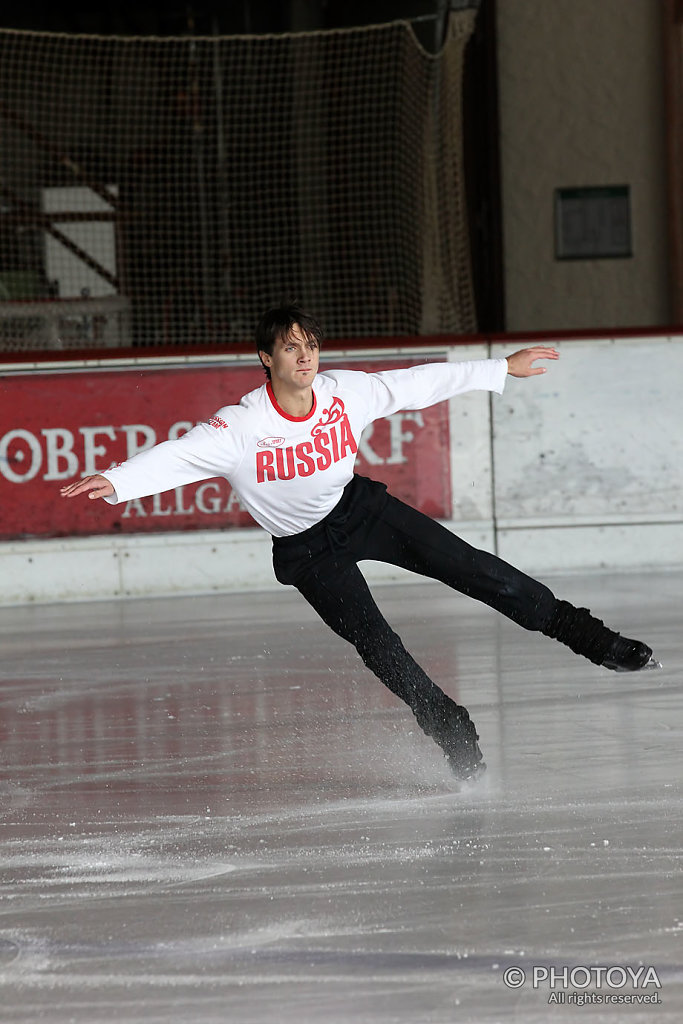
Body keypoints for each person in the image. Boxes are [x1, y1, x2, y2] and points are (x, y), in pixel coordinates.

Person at [61, 305, 658, 782]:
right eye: (290, 346)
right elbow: (179, 455)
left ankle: (591, 637)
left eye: (311, 344)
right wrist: (117, 479)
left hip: (358, 510)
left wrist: (499, 368)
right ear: (265, 358)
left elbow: (415, 384)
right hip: (307, 550)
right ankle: (447, 724)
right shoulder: (241, 426)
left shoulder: (344, 392)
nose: (305, 355)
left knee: (476, 569)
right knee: (378, 645)